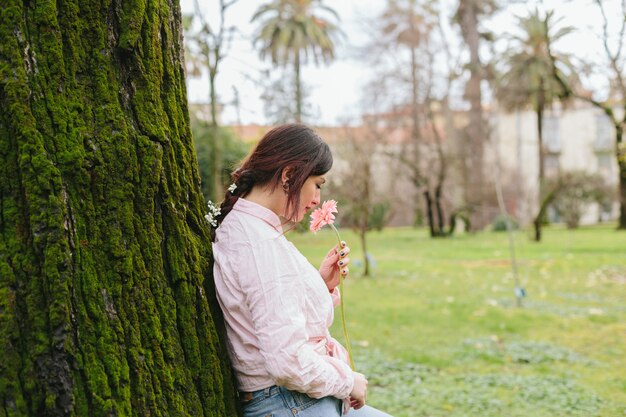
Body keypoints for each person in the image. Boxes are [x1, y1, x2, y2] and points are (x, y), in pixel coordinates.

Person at [211, 124, 392, 416]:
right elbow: (287, 362)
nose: (318, 199)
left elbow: (271, 309)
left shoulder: (254, 230)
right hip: (290, 403)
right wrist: (348, 382)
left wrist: (321, 285)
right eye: (318, 184)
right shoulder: (260, 244)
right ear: (289, 175)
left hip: (297, 400)